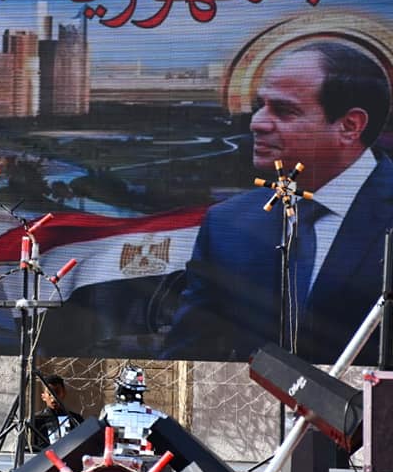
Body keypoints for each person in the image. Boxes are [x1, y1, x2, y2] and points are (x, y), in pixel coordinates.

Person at [163, 41, 393, 363]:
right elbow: (188, 355)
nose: (257, 122)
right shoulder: (228, 224)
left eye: (284, 110)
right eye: (262, 105)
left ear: (349, 126)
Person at [32, 374, 83, 450]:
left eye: (57, 392)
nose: (53, 398)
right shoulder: (36, 420)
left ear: (64, 393)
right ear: (43, 397)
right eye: (49, 394)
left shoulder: (75, 419)